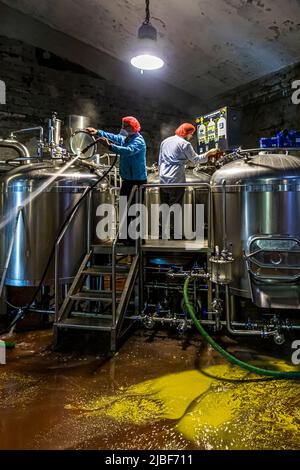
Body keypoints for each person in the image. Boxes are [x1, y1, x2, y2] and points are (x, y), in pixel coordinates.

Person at [87, 116, 147, 244]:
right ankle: (125, 237)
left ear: (134, 128)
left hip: (137, 182)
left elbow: (128, 151)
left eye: (126, 126)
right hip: (127, 180)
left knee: (134, 210)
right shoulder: (126, 138)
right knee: (124, 208)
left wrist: (110, 147)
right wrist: (98, 132)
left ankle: (136, 240)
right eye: (123, 126)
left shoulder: (139, 141)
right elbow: (115, 137)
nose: (123, 128)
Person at [159, 122, 222, 239]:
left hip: (163, 178)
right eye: (191, 133)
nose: (191, 136)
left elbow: (160, 160)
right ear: (186, 133)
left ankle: (162, 233)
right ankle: (174, 234)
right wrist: (209, 153)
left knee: (164, 207)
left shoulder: (165, 142)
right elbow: (196, 160)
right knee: (175, 207)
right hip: (176, 179)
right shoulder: (185, 144)